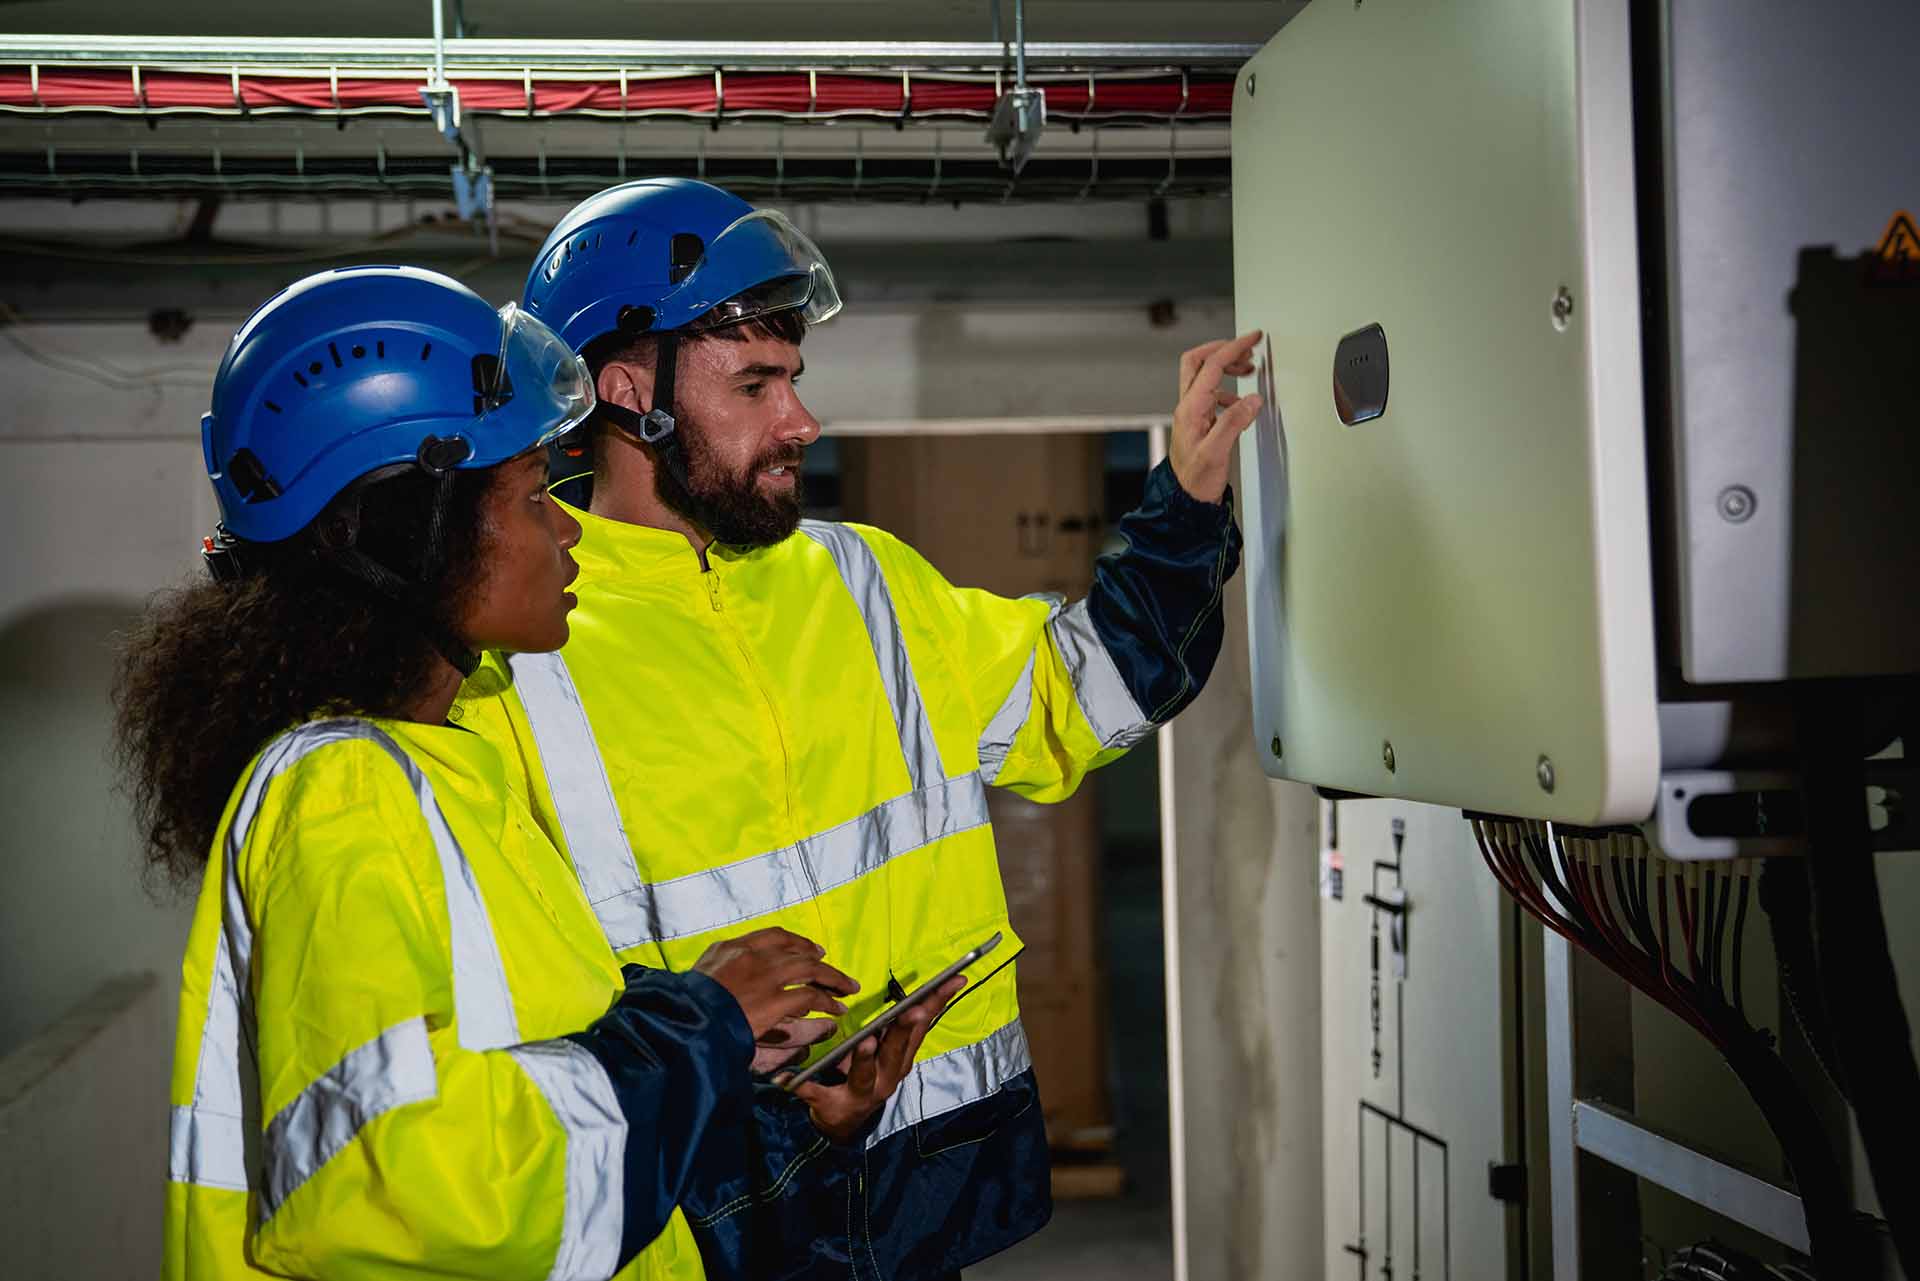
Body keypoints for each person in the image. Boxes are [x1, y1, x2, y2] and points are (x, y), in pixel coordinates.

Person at [454, 178, 1262, 1279]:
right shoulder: (516, 664)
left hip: (929, 1185)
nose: (802, 421)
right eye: (754, 384)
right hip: (706, 1220)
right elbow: (515, 1016)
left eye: (794, 379)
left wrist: (1188, 505)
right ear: (625, 390)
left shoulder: (862, 578)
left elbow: (1090, 693)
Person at [114, 264, 957, 1281]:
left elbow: (545, 1151)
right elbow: (397, 1186)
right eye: (527, 496)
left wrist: (757, 1099)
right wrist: (699, 1022)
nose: (566, 526)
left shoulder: (442, 772)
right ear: (414, 538)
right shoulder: (344, 793)